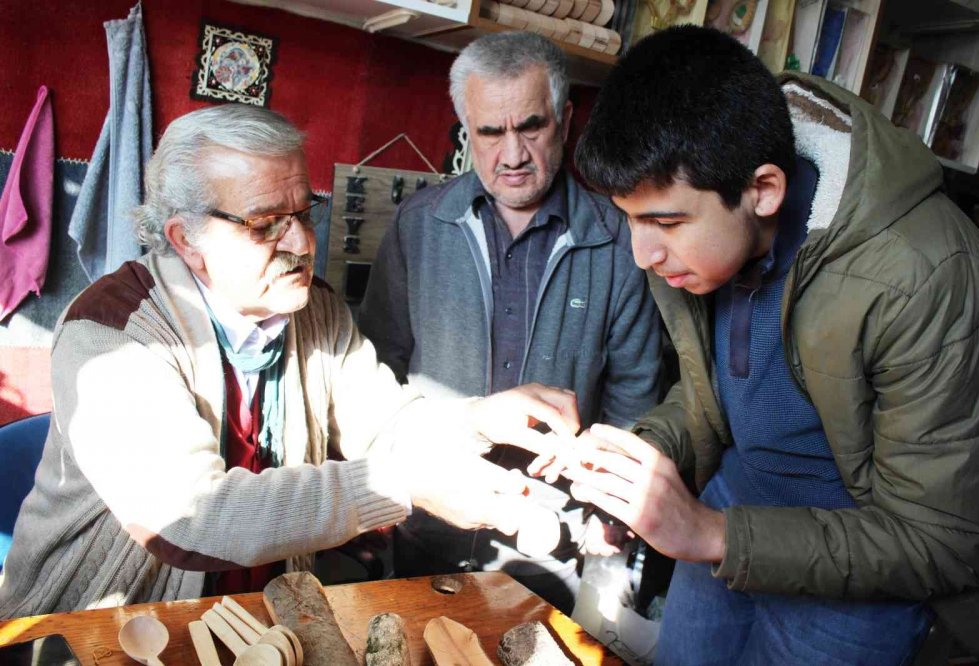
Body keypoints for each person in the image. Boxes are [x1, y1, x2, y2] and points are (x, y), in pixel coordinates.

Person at [0, 104, 583, 619]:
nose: (302, 243)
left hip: (264, 617)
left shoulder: (315, 309)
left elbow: (385, 424)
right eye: (265, 225)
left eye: (303, 213)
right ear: (186, 241)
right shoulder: (113, 332)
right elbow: (191, 519)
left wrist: (477, 418)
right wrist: (404, 484)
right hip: (95, 626)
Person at [565, 25, 979, 665]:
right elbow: (724, 392)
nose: (642, 253)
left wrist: (711, 534)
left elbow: (940, 541)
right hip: (728, 518)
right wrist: (642, 464)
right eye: (629, 218)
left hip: (860, 584)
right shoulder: (706, 238)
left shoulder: (927, 274)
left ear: (764, 190)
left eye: (665, 223)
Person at [358, 31, 663, 613]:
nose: (513, 154)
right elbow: (376, 371)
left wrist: (609, 508)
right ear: (466, 132)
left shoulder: (620, 240)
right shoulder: (419, 225)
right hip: (431, 517)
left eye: (531, 127)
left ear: (566, 120)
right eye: (490, 133)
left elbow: (636, 394)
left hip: (552, 533)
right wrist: (386, 489)